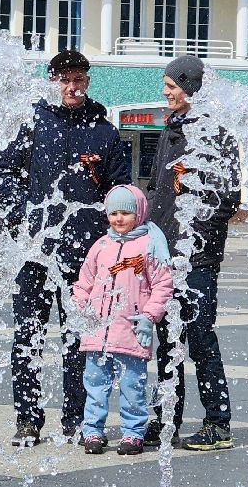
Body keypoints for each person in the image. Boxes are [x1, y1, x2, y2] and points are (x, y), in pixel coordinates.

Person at [0, 49, 130, 446]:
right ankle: (28, 419)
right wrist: (23, 215)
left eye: (78, 79)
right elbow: (3, 174)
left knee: (79, 338)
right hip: (33, 252)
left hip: (84, 255)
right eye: (64, 79)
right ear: (52, 82)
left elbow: (119, 190)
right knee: (27, 335)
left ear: (87, 82)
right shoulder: (32, 124)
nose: (72, 86)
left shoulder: (104, 132)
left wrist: (116, 240)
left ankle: (76, 420)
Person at [143, 55, 240, 451]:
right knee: (167, 342)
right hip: (164, 255)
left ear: (190, 87)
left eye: (171, 86)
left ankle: (218, 423)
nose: (165, 92)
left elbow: (227, 198)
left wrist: (194, 233)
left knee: (200, 340)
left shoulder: (216, 133)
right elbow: (156, 189)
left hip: (197, 258)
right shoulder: (171, 130)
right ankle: (166, 418)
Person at [72, 184, 173, 456]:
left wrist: (149, 316)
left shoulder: (150, 245)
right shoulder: (101, 245)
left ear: (138, 213)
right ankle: (92, 430)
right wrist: (78, 307)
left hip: (132, 330)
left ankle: (133, 433)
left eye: (125, 213)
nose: (118, 219)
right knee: (95, 385)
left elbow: (163, 285)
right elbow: (85, 281)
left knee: (133, 386)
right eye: (113, 213)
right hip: (97, 332)